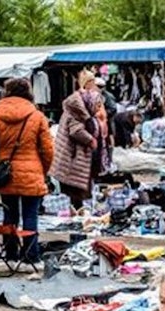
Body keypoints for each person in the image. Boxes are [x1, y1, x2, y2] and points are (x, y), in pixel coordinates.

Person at [0, 78, 54, 267]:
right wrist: (42, 169)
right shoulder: (37, 116)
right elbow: (48, 150)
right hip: (32, 172)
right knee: (31, 216)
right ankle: (31, 256)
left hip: (7, 175)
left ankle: (11, 254)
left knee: (9, 216)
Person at [50, 70, 99, 209]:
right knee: (76, 188)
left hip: (72, 155)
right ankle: (78, 213)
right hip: (73, 156)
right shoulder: (77, 107)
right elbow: (76, 130)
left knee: (75, 189)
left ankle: (78, 211)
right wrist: (91, 140)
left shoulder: (77, 105)